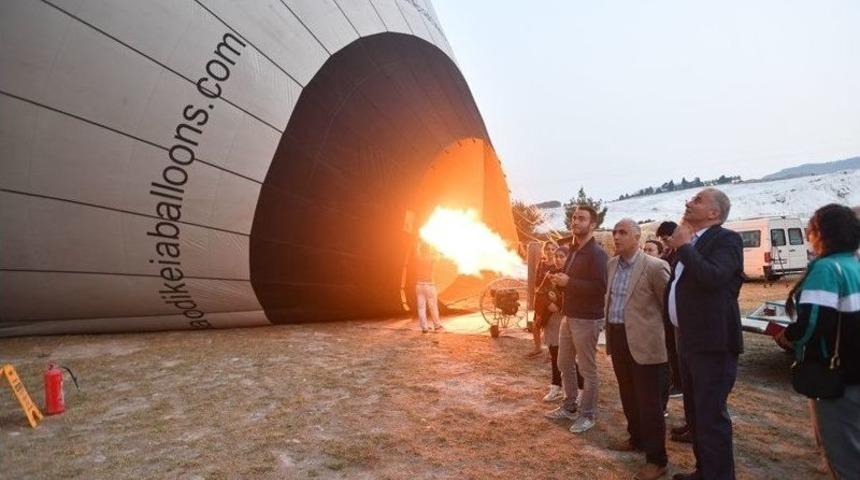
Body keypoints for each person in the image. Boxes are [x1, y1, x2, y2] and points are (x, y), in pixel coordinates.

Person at [665, 188, 744, 480]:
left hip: (714, 344)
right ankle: (704, 470)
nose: (688, 202)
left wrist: (684, 247)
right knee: (695, 413)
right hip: (688, 341)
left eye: (697, 200)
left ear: (714, 213)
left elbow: (714, 278)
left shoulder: (727, 239)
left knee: (711, 417)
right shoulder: (692, 242)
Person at [777, 204, 860, 479]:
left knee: (843, 456)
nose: (808, 235)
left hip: (836, 376)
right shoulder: (853, 263)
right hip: (854, 371)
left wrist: (787, 337)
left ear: (821, 232)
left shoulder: (827, 268)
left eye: (810, 229)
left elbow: (812, 321)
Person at [605, 219, 672, 480]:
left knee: (650, 404)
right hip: (618, 338)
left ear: (637, 237)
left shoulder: (655, 266)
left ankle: (657, 460)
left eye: (623, 232)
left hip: (646, 344)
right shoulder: (612, 265)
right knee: (628, 395)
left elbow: (668, 306)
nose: (617, 236)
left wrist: (661, 338)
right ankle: (637, 438)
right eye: (614, 232)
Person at [544, 205, 608, 434]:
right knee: (564, 363)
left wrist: (568, 282)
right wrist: (559, 281)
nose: (575, 221)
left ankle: (587, 415)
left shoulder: (597, 254)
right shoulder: (572, 250)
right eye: (573, 217)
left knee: (588, 370)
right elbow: (571, 281)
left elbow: (600, 287)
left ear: (592, 225)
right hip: (569, 316)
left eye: (581, 219)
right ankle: (569, 405)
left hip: (587, 319)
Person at [657, 220, 689, 443]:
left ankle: (694, 426)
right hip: (673, 325)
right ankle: (691, 423)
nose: (665, 242)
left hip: (688, 328)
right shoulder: (671, 256)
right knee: (682, 372)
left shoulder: (683, 253)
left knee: (690, 379)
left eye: (667, 238)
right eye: (663, 240)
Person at [537, 245, 569, 402]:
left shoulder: (571, 277)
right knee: (554, 354)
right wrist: (547, 304)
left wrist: (559, 302)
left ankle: (575, 389)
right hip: (551, 319)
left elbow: (577, 298)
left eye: (562, 256)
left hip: (566, 319)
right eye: (556, 256)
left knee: (567, 357)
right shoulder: (550, 275)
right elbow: (540, 293)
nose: (558, 259)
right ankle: (555, 386)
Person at [529, 241, 558, 357]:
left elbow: (557, 286)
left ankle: (552, 353)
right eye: (547, 249)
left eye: (552, 249)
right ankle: (537, 348)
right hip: (540, 298)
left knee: (550, 326)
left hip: (550, 298)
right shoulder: (541, 264)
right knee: (536, 323)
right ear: (544, 250)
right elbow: (536, 281)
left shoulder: (557, 266)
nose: (550, 251)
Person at [414, 241, 442, 333]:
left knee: (421, 307)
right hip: (429, 285)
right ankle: (437, 325)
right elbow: (440, 255)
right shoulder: (431, 258)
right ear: (428, 249)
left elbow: (417, 248)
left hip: (419, 285)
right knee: (433, 305)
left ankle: (424, 327)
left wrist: (418, 243)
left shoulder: (417, 257)